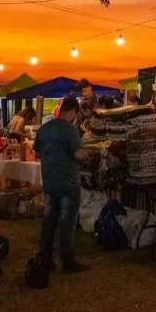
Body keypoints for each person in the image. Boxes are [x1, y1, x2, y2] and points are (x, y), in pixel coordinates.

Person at [34, 97, 89, 285]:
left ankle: (45, 258)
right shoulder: (70, 130)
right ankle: (67, 260)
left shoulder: (44, 128)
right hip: (68, 183)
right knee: (67, 222)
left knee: (49, 221)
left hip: (49, 181)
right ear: (73, 112)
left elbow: (37, 153)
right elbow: (78, 154)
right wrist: (89, 151)